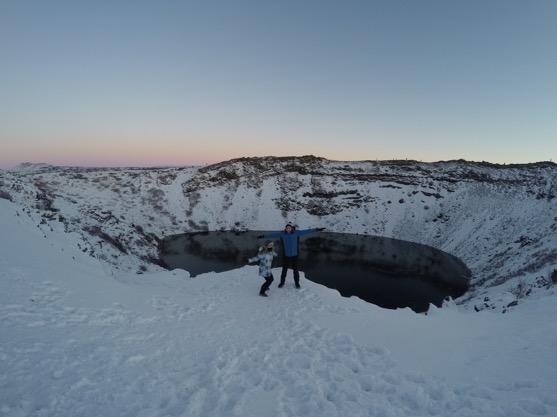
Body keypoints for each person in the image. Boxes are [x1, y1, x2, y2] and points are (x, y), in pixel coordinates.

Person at [260, 224, 325, 289]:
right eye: (287, 228)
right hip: (286, 256)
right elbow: (273, 235)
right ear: (285, 229)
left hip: (294, 256)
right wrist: (263, 236)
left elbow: (307, 231)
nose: (288, 229)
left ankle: (297, 283)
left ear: (291, 229)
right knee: (284, 270)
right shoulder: (282, 234)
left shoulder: (296, 233)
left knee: (295, 270)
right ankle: (282, 283)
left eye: (289, 228)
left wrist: (317, 229)